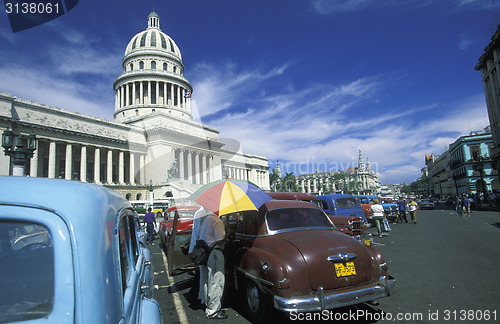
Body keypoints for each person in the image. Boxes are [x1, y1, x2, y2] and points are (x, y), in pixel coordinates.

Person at [199, 211, 227, 319]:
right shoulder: (217, 221)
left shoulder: (206, 219)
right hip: (215, 252)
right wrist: (228, 232)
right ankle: (213, 311)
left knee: (207, 280)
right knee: (217, 281)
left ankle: (207, 303)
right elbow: (220, 240)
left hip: (205, 252)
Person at [189, 207, 210, 306]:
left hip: (200, 247)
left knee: (203, 275)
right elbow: (200, 231)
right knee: (208, 276)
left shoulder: (199, 213)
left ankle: (202, 297)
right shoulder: (202, 214)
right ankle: (205, 299)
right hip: (204, 248)